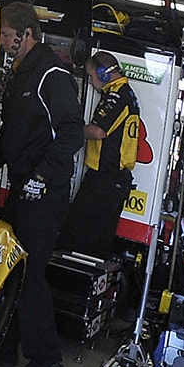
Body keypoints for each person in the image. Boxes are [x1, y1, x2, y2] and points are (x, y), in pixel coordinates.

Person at [0, 1, 85, 367]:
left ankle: (46, 361)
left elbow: (72, 131)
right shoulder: (21, 74)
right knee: (11, 270)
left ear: (26, 35)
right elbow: (10, 132)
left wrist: (42, 175)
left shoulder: (52, 73)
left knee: (30, 276)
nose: (3, 42)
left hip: (45, 192)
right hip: (21, 188)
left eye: (7, 36)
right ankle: (6, 350)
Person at [61, 50, 142, 257]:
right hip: (113, 181)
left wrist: (66, 130)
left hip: (105, 180)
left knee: (75, 236)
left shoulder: (117, 95)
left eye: (90, 76)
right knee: (98, 243)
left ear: (104, 74)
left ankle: (65, 283)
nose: (91, 82)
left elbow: (98, 131)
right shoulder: (125, 93)